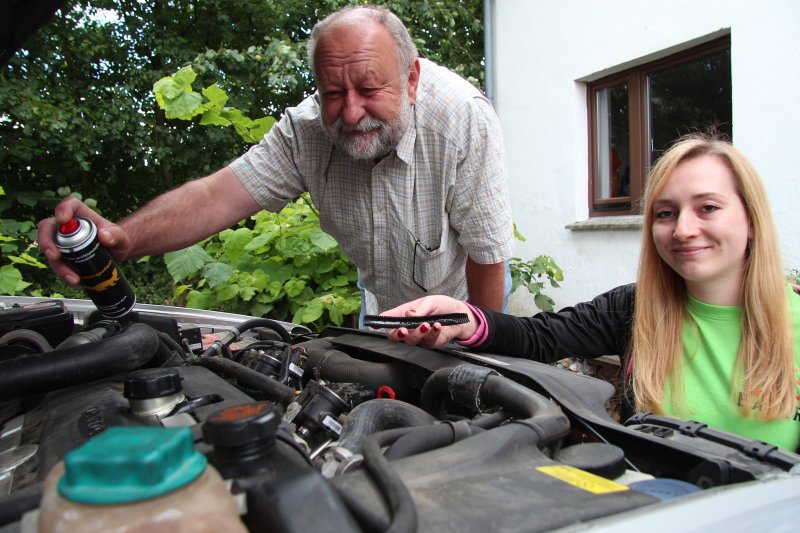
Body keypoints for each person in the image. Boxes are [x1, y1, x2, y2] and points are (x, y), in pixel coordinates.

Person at [37, 5, 514, 321]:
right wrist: (125, 239)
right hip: (383, 300)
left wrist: (479, 349)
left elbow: (487, 258)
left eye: (370, 90)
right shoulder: (306, 130)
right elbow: (214, 197)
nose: (350, 113)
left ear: (411, 80)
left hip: (467, 295)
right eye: (332, 93)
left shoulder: (462, 120)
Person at [380, 134, 800, 452]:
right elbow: (539, 337)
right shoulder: (634, 308)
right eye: (666, 213)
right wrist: (465, 316)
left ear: (751, 217)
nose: (684, 229)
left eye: (708, 207)